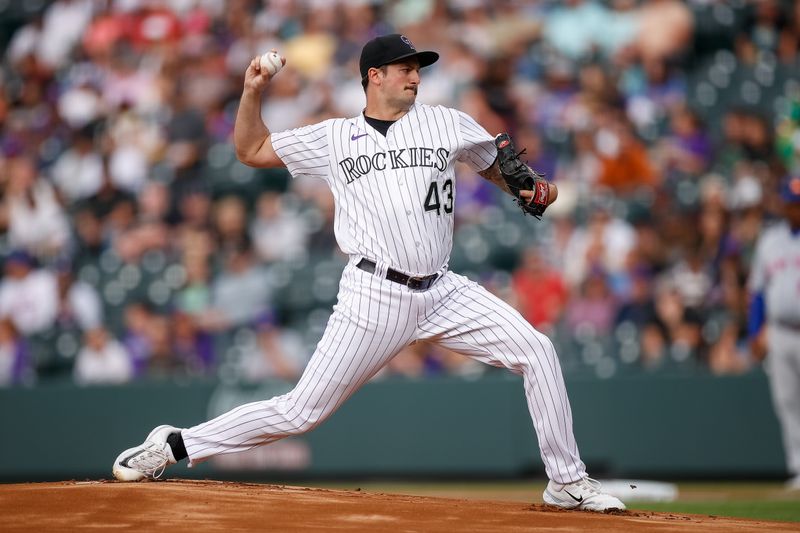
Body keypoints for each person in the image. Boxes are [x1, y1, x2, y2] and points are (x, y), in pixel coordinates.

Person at [112, 34, 625, 512]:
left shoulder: (445, 121)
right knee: (300, 413)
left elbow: (494, 162)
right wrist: (251, 92)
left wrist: (528, 186)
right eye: (405, 68)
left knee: (537, 351)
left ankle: (566, 481)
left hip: (442, 288)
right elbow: (251, 150)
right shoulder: (336, 137)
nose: (415, 77)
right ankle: (174, 443)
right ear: (373, 76)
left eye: (417, 69)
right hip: (374, 294)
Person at [748, 176, 800, 491]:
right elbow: (757, 292)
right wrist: (756, 330)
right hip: (780, 331)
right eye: (790, 202)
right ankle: (798, 468)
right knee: (787, 401)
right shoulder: (770, 240)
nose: (793, 208)